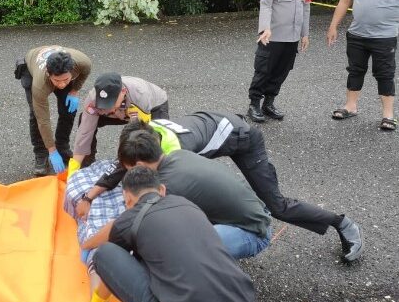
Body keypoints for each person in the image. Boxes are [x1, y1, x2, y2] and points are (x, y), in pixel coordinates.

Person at [76, 112, 363, 261]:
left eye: (130, 169)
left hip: (243, 138)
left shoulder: (170, 172)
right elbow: (123, 167)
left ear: (141, 161)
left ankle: (341, 223)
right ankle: (237, 222)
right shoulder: (158, 146)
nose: (127, 174)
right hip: (218, 129)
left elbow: (132, 224)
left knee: (277, 206)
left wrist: (89, 244)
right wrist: (90, 195)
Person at [89, 167, 255, 302]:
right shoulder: (187, 204)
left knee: (104, 253)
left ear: (127, 198)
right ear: (162, 190)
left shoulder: (130, 218)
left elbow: (110, 265)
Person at [113, 130, 272, 259]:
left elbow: (145, 224)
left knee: (174, 249)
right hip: (257, 213)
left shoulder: (168, 185)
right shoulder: (179, 155)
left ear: (140, 165)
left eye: (130, 170)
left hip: (254, 232)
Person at [327, 0, 399, 131]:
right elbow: (345, 0)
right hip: (357, 33)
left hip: (385, 36)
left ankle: (388, 115)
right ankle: (350, 106)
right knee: (355, 70)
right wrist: (333, 26)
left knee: (385, 74)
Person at [247, 0, 314, 122]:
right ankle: (254, 105)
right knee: (264, 70)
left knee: (282, 71)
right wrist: (265, 29)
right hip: (273, 35)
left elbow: (306, 5)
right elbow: (266, 3)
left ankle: (269, 103)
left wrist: (304, 33)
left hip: (292, 37)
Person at [63, 160, 126, 302]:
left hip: (121, 191)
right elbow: (104, 232)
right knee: (98, 255)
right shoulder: (93, 179)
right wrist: (88, 245)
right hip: (92, 188)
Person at [70, 72, 168, 170]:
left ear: (123, 91)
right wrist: (74, 166)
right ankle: (87, 164)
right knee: (84, 119)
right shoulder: (93, 99)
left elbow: (140, 131)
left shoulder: (140, 95)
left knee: (154, 138)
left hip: (151, 106)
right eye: (104, 103)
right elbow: (85, 132)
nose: (108, 108)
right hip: (122, 111)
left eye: (111, 103)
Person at [20, 45, 92, 175]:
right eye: (57, 81)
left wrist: (74, 91)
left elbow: (84, 74)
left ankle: (62, 146)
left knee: (68, 109)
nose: (62, 84)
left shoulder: (83, 63)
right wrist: (51, 151)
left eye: (66, 80)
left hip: (61, 71)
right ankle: (41, 154)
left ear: (72, 71)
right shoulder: (40, 84)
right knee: (36, 115)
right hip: (31, 67)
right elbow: (43, 120)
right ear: (49, 74)